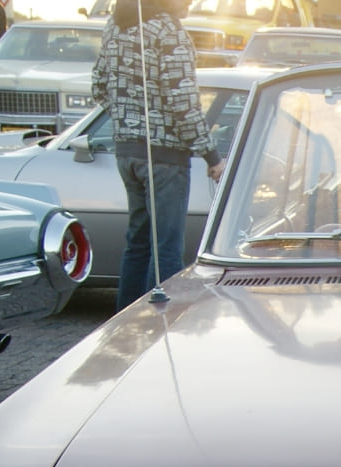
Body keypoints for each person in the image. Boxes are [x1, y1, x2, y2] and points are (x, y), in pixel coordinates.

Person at [92, 0, 223, 311]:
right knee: (166, 248)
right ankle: (160, 326)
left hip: (127, 151)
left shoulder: (115, 26)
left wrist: (128, 119)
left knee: (137, 243)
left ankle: (124, 324)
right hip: (165, 157)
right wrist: (212, 156)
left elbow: (99, 87)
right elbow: (183, 104)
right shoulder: (168, 31)